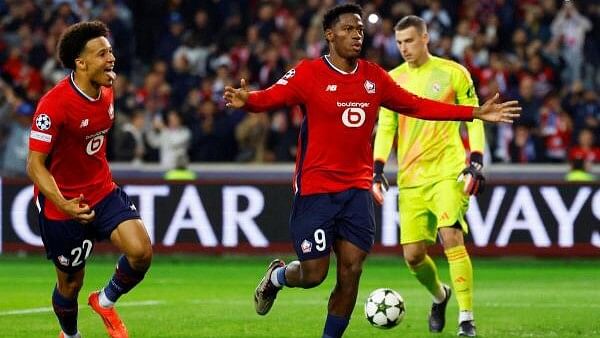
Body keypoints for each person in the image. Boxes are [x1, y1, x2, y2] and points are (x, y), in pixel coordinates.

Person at [223, 4, 520, 338]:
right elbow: (271, 97)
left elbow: (417, 105)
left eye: (360, 29)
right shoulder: (309, 73)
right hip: (316, 190)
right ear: (329, 35)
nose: (357, 35)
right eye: (349, 29)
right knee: (314, 275)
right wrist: (246, 100)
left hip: (356, 191)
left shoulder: (374, 77)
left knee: (351, 272)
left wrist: (474, 112)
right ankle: (277, 277)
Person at [26, 21, 152, 338]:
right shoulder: (54, 104)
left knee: (141, 253)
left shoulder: (107, 91)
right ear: (80, 63)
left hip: (101, 190)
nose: (111, 59)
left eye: (110, 52)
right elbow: (35, 165)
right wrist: (63, 204)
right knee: (70, 284)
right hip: (62, 203)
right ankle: (70, 335)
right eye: (101, 54)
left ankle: (105, 302)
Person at [372, 15, 486, 336]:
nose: (404, 48)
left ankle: (466, 318)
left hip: (448, 170)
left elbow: (474, 118)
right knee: (413, 257)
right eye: (399, 43)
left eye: (409, 41)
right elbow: (387, 129)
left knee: (450, 236)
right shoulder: (391, 81)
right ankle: (441, 295)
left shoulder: (453, 73)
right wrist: (378, 167)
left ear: (425, 38)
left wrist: (475, 160)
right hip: (410, 177)